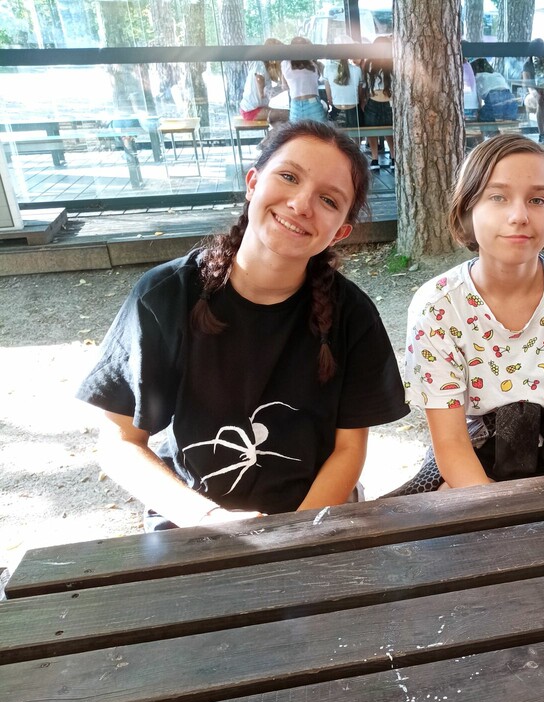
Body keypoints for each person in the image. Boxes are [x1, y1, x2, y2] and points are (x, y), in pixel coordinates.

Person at [77, 121, 408, 529]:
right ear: (253, 182)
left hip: (314, 512)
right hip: (190, 512)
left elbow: (349, 450)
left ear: (340, 231)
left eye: (328, 199)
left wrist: (292, 534)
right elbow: (120, 443)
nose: (301, 205)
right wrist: (205, 517)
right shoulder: (165, 295)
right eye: (289, 177)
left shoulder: (353, 316)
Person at [387, 134, 544, 494]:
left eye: (537, 199)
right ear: (467, 209)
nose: (519, 216)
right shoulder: (436, 307)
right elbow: (451, 444)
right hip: (469, 458)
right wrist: (499, 511)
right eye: (498, 197)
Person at [362, 35, 395, 171]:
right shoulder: (369, 63)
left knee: (390, 130)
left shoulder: (393, 63)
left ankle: (393, 156)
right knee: (371, 131)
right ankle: (374, 158)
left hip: (388, 102)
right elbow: (365, 84)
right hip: (374, 100)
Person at [281, 37, 331, 123]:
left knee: (296, 131)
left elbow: (284, 86)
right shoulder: (313, 63)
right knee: (320, 131)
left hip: (295, 105)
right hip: (313, 103)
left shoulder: (285, 63)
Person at [239, 38, 288, 124]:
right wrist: (283, 87)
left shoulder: (261, 65)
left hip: (253, 108)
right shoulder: (260, 65)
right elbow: (263, 93)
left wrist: (282, 86)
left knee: (282, 119)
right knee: (289, 114)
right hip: (251, 111)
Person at [325, 39, 363, 132]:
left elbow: (329, 98)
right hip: (354, 110)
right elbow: (359, 94)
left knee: (337, 139)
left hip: (336, 110)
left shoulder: (328, 69)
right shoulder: (357, 70)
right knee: (356, 138)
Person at [522, 39, 544, 144]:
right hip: (531, 93)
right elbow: (528, 84)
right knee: (540, 100)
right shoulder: (528, 64)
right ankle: (542, 134)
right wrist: (535, 93)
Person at [470, 58, 518, 122]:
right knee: (509, 118)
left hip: (493, 97)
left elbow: (478, 99)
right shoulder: (497, 74)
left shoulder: (477, 77)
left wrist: (478, 111)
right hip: (508, 96)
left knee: (483, 118)